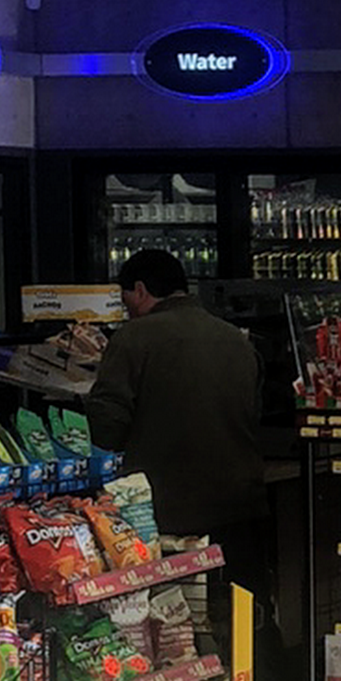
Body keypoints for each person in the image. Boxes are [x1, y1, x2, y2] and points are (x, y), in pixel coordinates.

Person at [86, 248, 270, 614]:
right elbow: (254, 414)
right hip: (239, 503)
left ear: (140, 290)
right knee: (244, 610)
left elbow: (107, 425)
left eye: (126, 299)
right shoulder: (236, 339)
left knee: (175, 619)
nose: (127, 309)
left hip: (167, 511)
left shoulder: (133, 338)